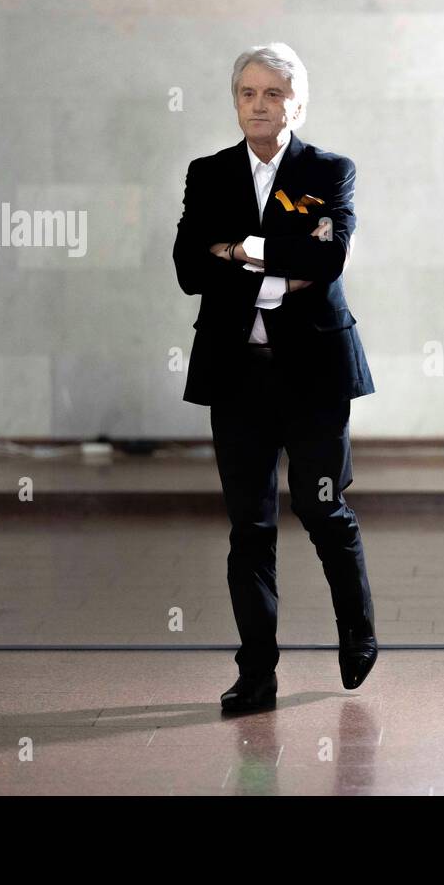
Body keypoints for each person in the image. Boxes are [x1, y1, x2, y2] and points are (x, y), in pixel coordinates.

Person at [172, 42, 378, 713]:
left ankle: (357, 632)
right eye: (247, 94)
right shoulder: (208, 174)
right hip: (237, 376)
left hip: (314, 374)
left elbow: (331, 258)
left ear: (299, 102)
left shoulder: (329, 170)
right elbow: (187, 269)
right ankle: (256, 672)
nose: (259, 105)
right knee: (249, 527)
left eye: (274, 94)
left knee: (322, 508)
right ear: (235, 102)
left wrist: (236, 249)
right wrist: (281, 256)